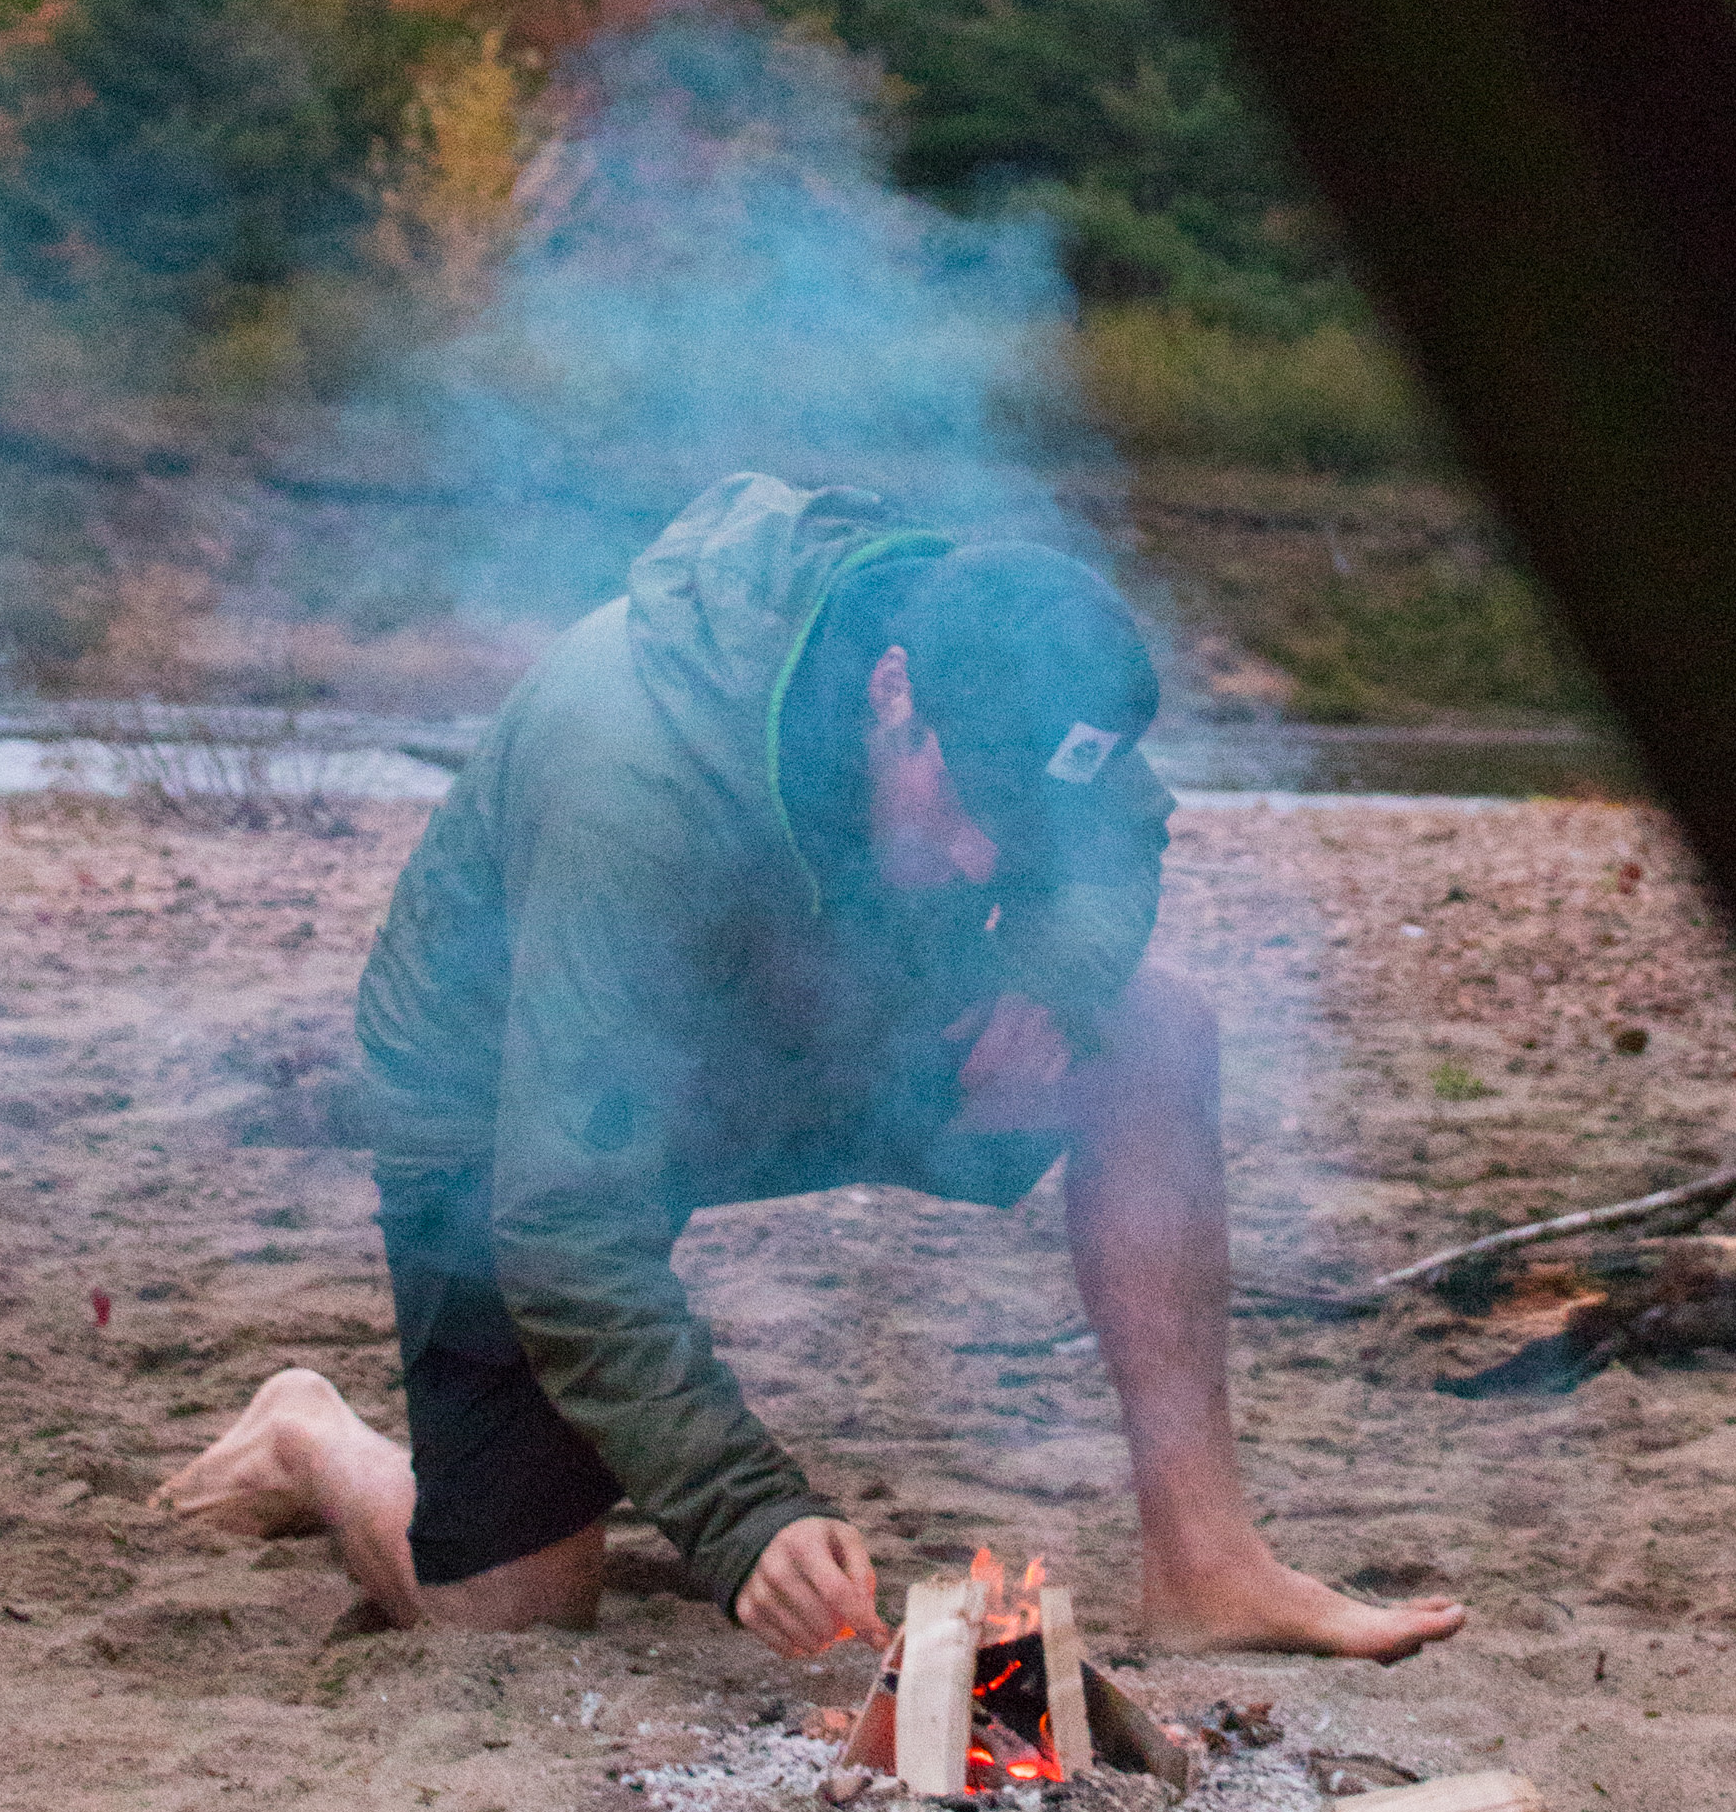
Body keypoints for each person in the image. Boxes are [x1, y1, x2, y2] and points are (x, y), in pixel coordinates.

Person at [157, 471, 1460, 1668]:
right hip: (509, 1097)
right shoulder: (635, 772)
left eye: (1012, 832)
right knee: (511, 1619)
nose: (975, 862)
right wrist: (742, 1514)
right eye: (961, 810)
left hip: (796, 1021)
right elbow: (565, 1216)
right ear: (891, 690)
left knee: (1152, 1027)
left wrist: (1054, 970)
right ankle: (313, 1437)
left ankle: (1209, 1564)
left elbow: (1122, 827)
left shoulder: (1008, 667)